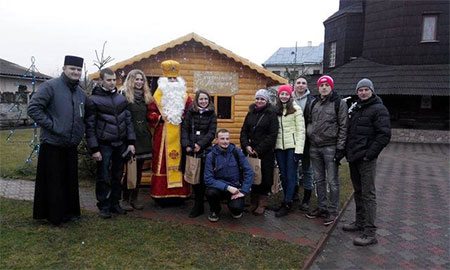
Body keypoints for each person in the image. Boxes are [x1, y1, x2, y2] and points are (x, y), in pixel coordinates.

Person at [28, 55, 87, 226]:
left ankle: (70, 212)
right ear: (64, 69)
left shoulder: (80, 93)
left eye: (78, 70)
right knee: (54, 182)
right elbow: (33, 108)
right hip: (53, 143)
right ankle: (54, 215)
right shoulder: (50, 87)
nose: (76, 72)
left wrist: (79, 132)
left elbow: (83, 115)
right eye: (72, 69)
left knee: (69, 181)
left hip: (70, 143)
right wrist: (53, 125)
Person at [343, 78, 391, 246]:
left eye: (366, 90)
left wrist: (369, 155)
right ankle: (359, 222)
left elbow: (384, 135)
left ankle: (370, 232)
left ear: (372, 91)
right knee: (358, 191)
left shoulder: (379, 109)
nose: (363, 92)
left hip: (366, 159)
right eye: (360, 90)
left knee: (368, 194)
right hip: (354, 157)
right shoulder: (356, 108)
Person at [85, 68, 136, 219]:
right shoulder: (93, 100)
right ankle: (104, 205)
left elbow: (128, 121)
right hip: (104, 144)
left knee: (118, 175)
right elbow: (90, 126)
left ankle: (115, 203)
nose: (112, 83)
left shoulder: (121, 98)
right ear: (101, 81)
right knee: (103, 176)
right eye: (108, 80)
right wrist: (94, 148)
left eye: (114, 80)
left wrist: (131, 142)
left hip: (120, 143)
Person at [147, 60, 192, 206]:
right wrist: (160, 117)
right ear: (164, 80)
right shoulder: (157, 95)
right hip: (163, 136)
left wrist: (184, 119)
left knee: (180, 162)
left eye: (174, 78)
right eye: (169, 78)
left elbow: (190, 113)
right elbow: (150, 113)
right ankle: (161, 196)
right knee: (162, 163)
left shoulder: (185, 96)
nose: (172, 81)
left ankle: (179, 196)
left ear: (179, 80)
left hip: (180, 135)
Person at [305, 75, 348, 226]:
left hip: (331, 147)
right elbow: (309, 121)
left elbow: (343, 126)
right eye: (321, 85)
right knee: (319, 179)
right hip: (314, 147)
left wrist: (340, 148)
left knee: (333, 181)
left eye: (326, 85)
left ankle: (333, 210)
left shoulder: (338, 103)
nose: (324, 87)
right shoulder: (314, 103)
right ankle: (322, 207)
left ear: (331, 87)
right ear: (318, 87)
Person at [119, 69, 154, 211]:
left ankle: (135, 198)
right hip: (130, 137)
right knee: (129, 170)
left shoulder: (146, 97)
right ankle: (125, 198)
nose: (139, 82)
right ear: (131, 80)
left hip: (143, 137)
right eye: (136, 79)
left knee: (139, 169)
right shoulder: (123, 96)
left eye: (141, 80)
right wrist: (127, 139)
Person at [240, 89, 278, 215]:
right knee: (252, 176)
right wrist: (246, 146)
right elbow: (244, 131)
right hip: (250, 151)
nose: (259, 101)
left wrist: (259, 149)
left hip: (265, 152)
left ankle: (262, 204)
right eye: (257, 98)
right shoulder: (250, 112)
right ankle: (253, 202)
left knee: (265, 178)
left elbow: (272, 135)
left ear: (266, 101)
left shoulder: (271, 114)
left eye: (262, 99)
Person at [204, 129, 254, 222]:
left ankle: (234, 207)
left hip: (235, 188)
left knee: (237, 210)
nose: (225, 141)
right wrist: (227, 187)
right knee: (210, 192)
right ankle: (215, 210)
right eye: (222, 138)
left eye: (227, 138)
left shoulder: (236, 152)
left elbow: (249, 171)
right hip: (219, 187)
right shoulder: (211, 156)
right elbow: (208, 179)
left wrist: (243, 191)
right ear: (216, 140)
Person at [181, 89, 217, 218]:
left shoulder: (212, 114)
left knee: (202, 178)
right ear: (197, 100)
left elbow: (211, 133)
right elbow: (185, 129)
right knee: (193, 177)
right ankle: (197, 202)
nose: (203, 101)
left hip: (204, 150)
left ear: (209, 100)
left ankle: (199, 204)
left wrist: (199, 145)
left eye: (205, 99)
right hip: (190, 149)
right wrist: (187, 145)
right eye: (201, 99)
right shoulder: (191, 112)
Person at [274, 85, 305, 217]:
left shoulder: (296, 109)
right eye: (282, 94)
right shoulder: (277, 110)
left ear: (290, 96)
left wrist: (299, 150)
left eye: (286, 94)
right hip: (279, 147)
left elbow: (301, 131)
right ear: (279, 96)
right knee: (283, 175)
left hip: (292, 147)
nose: (284, 96)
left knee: (291, 175)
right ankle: (289, 198)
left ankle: (287, 202)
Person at [292, 76, 315, 211]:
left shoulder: (312, 101)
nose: (301, 85)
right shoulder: (288, 100)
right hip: (292, 140)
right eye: (298, 82)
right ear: (294, 85)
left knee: (307, 169)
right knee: (293, 169)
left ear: (307, 86)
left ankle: (306, 198)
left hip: (307, 140)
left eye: (303, 83)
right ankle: (294, 193)